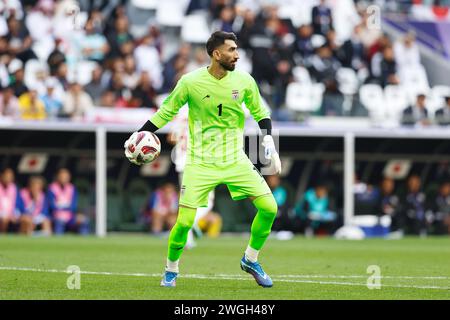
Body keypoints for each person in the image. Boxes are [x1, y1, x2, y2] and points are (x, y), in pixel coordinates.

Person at [124, 31, 281, 288]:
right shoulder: (190, 82)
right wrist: (142, 132)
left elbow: (260, 112)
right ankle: (171, 270)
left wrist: (268, 141)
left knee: (269, 208)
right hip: (200, 162)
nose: (237, 54)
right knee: (184, 222)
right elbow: (167, 111)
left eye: (237, 49)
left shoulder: (244, 81)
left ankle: (250, 259)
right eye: (231, 50)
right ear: (216, 54)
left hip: (235, 160)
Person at [47, 168, 89, 235]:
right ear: (58, 177)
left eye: (66, 177)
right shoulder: (52, 188)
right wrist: (64, 207)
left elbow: (73, 206)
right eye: (62, 176)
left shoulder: (72, 188)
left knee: (84, 221)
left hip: (70, 216)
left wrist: (61, 206)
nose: (64, 178)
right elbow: (52, 206)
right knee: (59, 222)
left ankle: (84, 242)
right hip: (56, 215)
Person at [0, 168, 25, 233]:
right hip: (2, 214)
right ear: (2, 176)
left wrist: (15, 213)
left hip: (13, 214)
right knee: (4, 219)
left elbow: (19, 205)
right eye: (7, 176)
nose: (9, 178)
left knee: (26, 220)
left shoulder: (14, 188)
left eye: (11, 177)